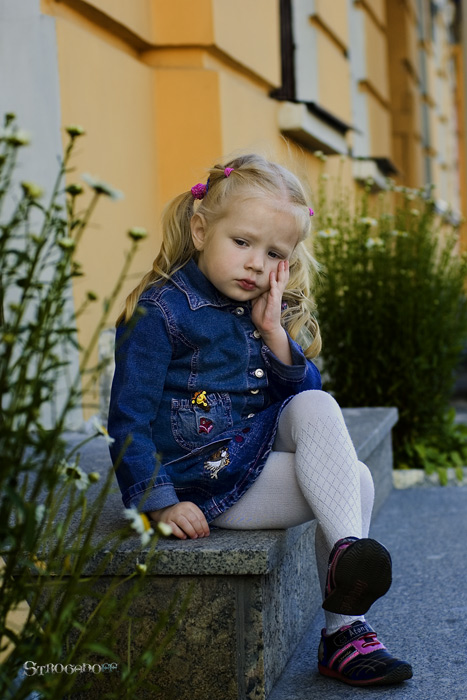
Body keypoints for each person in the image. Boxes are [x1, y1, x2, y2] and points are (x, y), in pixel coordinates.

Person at [108, 153, 413, 687]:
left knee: (317, 403)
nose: (255, 263)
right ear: (201, 230)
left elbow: (306, 404)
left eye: (274, 252)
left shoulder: (263, 309)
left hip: (251, 452)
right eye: (242, 243)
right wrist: (159, 502)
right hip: (201, 482)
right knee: (357, 482)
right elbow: (129, 419)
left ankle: (346, 581)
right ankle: (344, 631)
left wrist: (274, 334)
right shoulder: (159, 312)